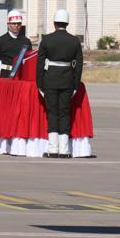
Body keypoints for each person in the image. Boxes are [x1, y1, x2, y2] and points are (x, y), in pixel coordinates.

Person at [36, 9, 83, 158]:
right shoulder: (75, 41)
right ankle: (64, 150)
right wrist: (75, 84)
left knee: (52, 113)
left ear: (54, 23)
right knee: (64, 113)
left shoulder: (47, 39)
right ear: (67, 23)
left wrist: (40, 83)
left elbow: (40, 63)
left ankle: (53, 149)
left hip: (50, 80)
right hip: (68, 81)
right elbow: (79, 64)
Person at [0, 10, 32, 77]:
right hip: (5, 75)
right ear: (8, 24)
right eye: (14, 23)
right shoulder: (0, 41)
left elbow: (29, 61)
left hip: (21, 75)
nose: (16, 25)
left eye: (18, 23)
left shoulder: (26, 41)